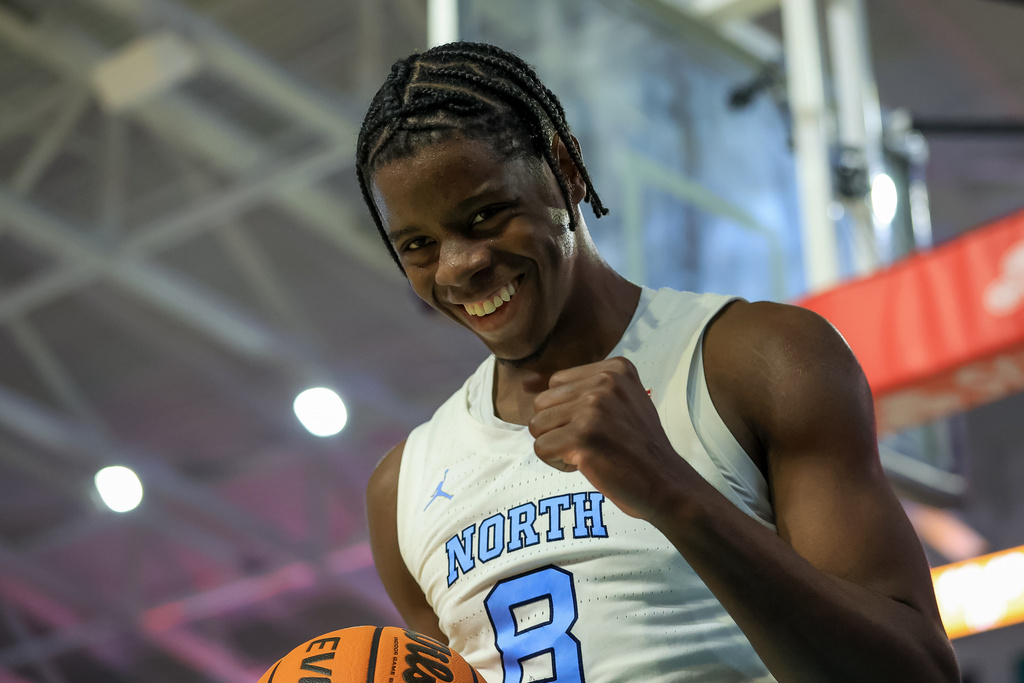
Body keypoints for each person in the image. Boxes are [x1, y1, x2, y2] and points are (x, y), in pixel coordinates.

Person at [358, 41, 958, 683]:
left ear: (566, 166)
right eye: (419, 245)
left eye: (485, 215)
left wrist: (673, 492)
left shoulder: (760, 361)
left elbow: (916, 673)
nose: (458, 266)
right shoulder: (402, 491)